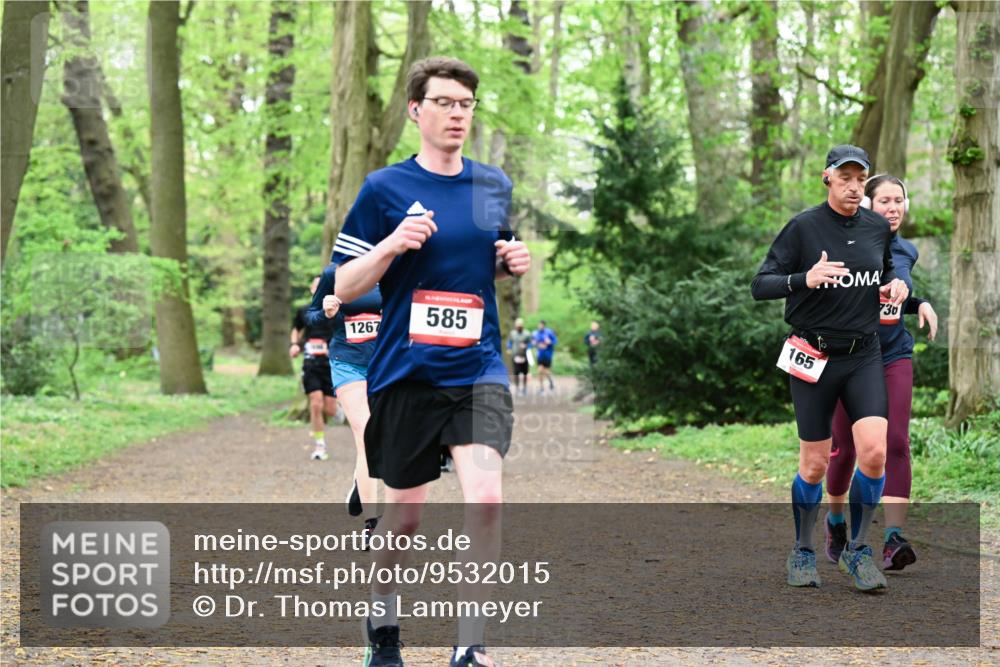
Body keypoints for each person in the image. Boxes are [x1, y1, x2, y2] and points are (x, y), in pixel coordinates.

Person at [331, 56, 531, 667]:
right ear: (416, 109)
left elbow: (479, 263)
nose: (456, 114)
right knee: (404, 521)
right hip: (406, 373)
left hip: (478, 369)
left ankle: (470, 646)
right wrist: (391, 244)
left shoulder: (493, 184)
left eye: (465, 104)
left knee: (487, 498)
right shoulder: (383, 189)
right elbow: (343, 281)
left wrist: (509, 263)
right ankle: (383, 628)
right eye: (443, 102)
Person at [750, 144, 908, 592]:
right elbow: (759, 285)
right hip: (813, 356)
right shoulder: (803, 227)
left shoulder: (877, 227)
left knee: (874, 452)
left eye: (861, 180)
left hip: (863, 354)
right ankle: (802, 550)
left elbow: (883, 272)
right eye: (846, 179)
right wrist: (804, 279)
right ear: (827, 179)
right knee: (815, 465)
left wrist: (894, 286)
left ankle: (857, 551)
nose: (855, 187)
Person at [824, 174, 938, 572]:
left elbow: (896, 287)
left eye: (899, 200)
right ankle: (836, 522)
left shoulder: (906, 250)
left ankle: (893, 539)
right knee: (843, 450)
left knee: (896, 443)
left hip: (893, 354)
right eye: (885, 200)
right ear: (868, 205)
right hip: (848, 357)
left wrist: (918, 301)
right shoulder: (845, 242)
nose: (893, 208)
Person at [304, 264, 383, 543]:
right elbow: (310, 317)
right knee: (366, 432)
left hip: (387, 365)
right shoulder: (333, 274)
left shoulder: (396, 267)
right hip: (347, 363)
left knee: (385, 437)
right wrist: (326, 311)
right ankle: (371, 523)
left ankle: (359, 486)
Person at [290, 275, 342, 461]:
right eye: (316, 286)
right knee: (315, 403)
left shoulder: (337, 310)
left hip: (331, 364)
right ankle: (320, 445)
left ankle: (340, 408)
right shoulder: (304, 310)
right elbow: (296, 328)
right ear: (312, 290)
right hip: (311, 363)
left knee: (331, 410)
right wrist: (294, 345)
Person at [507, 317, 532, 395]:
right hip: (515, 356)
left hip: (524, 356)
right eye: (517, 326)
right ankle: (517, 388)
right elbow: (509, 342)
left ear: (522, 326)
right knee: (516, 373)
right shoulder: (512, 333)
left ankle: (524, 388)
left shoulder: (527, 334)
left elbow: (531, 344)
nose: (518, 327)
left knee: (525, 373)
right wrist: (509, 348)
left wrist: (526, 346)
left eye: (520, 326)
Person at [532, 320, 557, 394]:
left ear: (544, 325)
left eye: (541, 325)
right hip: (540, 355)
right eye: (539, 325)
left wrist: (550, 342)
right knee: (540, 371)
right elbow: (533, 343)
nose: (540, 327)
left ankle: (551, 381)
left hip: (548, 355)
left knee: (546, 371)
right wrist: (536, 344)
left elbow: (555, 341)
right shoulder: (535, 333)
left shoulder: (549, 332)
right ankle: (541, 388)